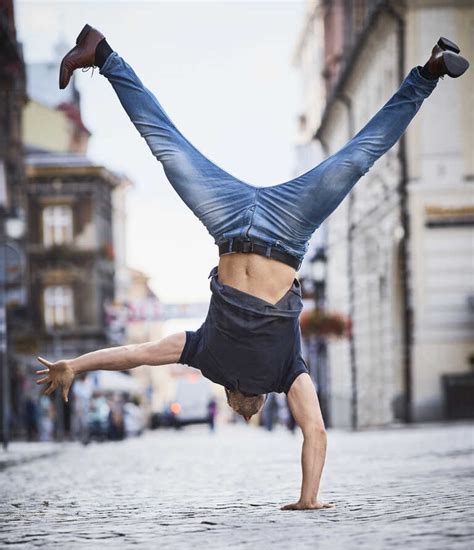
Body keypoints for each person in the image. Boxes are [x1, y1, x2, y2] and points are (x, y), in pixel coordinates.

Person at [35, 27, 469, 510]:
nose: (245, 414)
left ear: (231, 398)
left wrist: (76, 363)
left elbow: (135, 353)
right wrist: (308, 499)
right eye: (250, 413)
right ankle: (429, 72)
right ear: (257, 402)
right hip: (290, 228)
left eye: (240, 412)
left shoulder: (205, 356)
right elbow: (316, 432)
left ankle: (103, 54)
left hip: (228, 221)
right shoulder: (287, 372)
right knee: (356, 158)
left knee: (168, 147)